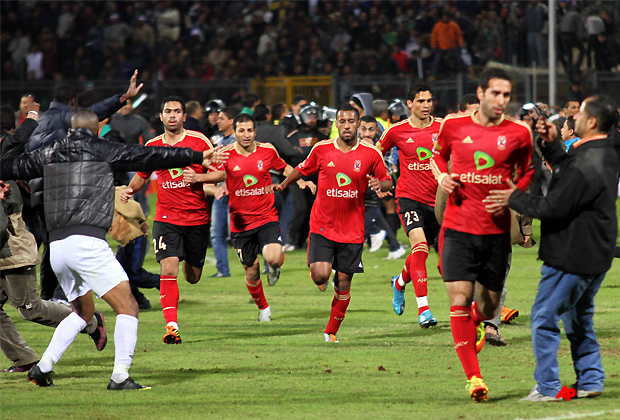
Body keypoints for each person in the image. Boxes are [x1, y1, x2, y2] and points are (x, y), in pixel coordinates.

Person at [1, 109, 225, 389]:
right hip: (87, 242)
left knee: (82, 313)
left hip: (57, 246)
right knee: (128, 305)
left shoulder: (50, 151)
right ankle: (120, 376)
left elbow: (9, 166)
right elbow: (150, 156)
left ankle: (43, 368)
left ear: (71, 129)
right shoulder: (101, 148)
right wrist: (194, 156)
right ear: (96, 131)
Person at [486, 95, 618, 402]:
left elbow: (554, 207)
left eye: (580, 113)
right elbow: (570, 170)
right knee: (578, 317)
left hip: (572, 252)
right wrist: (551, 145)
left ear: (592, 122)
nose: (573, 118)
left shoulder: (586, 162)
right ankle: (591, 378)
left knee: (544, 316)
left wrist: (512, 198)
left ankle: (547, 387)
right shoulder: (604, 152)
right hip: (597, 252)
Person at [430, 68, 534, 401]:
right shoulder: (454, 125)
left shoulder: (519, 132)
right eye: (495, 94)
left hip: (496, 231)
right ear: (480, 93)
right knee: (458, 297)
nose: (502, 100)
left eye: (507, 95)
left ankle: (477, 320)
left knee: (488, 307)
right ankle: (474, 378)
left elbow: (529, 170)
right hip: (458, 228)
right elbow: (437, 156)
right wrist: (442, 178)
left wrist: (514, 193)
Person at [268, 103, 392, 343]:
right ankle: (324, 272)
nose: (347, 126)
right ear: (337, 124)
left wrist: (380, 185)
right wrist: (283, 185)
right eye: (342, 121)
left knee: (344, 281)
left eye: (351, 122)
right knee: (319, 276)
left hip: (353, 228)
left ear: (358, 124)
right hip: (323, 225)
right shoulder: (322, 149)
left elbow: (387, 181)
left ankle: (331, 332)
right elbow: (302, 170)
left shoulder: (371, 153)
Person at [0, 106, 105, 373]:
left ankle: (90, 321)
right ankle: (24, 358)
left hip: (11, 248)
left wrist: (31, 121)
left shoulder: (5, 163)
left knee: (31, 308)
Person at [27, 71, 144, 302]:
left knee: (51, 245)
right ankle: (62, 295)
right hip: (60, 191)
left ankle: (48, 296)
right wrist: (122, 97)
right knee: (67, 242)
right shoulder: (66, 118)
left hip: (36, 191)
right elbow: (93, 114)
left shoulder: (38, 121)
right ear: (72, 102)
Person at [121, 97, 223, 345]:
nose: (173, 115)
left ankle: (190, 263)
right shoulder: (153, 145)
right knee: (168, 268)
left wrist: (198, 178)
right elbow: (142, 176)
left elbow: (220, 172)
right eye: (168, 111)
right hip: (166, 218)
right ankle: (172, 326)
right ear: (161, 116)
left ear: (184, 117)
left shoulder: (199, 141)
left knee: (192, 276)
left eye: (177, 111)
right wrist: (129, 190)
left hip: (197, 218)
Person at [214, 114, 312, 321]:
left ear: (255, 132)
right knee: (252, 271)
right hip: (240, 222)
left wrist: (301, 181)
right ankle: (263, 308)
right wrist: (210, 185)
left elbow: (283, 167)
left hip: (266, 216)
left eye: (250, 130)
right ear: (234, 133)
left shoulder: (267, 150)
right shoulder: (225, 154)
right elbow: (214, 174)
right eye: (241, 131)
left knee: (274, 258)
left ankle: (275, 267)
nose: (246, 135)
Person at [376, 83, 442, 328]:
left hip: (437, 202)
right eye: (421, 101)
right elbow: (374, 153)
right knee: (421, 247)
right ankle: (424, 310)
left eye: (429, 100)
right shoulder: (397, 131)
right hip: (408, 198)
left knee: (430, 256)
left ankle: (399, 283)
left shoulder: (442, 127)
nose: (426, 105)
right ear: (410, 104)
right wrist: (379, 179)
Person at [282, 103, 326, 252]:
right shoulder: (293, 135)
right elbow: (287, 154)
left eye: (314, 117)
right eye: (309, 116)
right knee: (300, 208)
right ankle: (291, 239)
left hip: (315, 178)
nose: (312, 120)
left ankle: (302, 240)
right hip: (297, 178)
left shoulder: (322, 135)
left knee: (314, 209)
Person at [359, 116, 405, 259]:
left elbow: (388, 167)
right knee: (370, 211)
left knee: (369, 209)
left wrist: (381, 183)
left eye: (371, 130)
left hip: (378, 181)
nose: (367, 133)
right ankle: (391, 243)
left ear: (377, 130)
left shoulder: (384, 141)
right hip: (361, 182)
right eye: (364, 129)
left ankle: (376, 233)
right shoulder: (353, 139)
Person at [208, 107, 238, 278]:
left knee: (237, 234)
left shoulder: (238, 141)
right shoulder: (219, 141)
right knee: (216, 233)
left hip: (236, 193)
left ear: (231, 121)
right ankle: (222, 270)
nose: (217, 121)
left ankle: (263, 263)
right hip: (220, 192)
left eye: (221, 118)